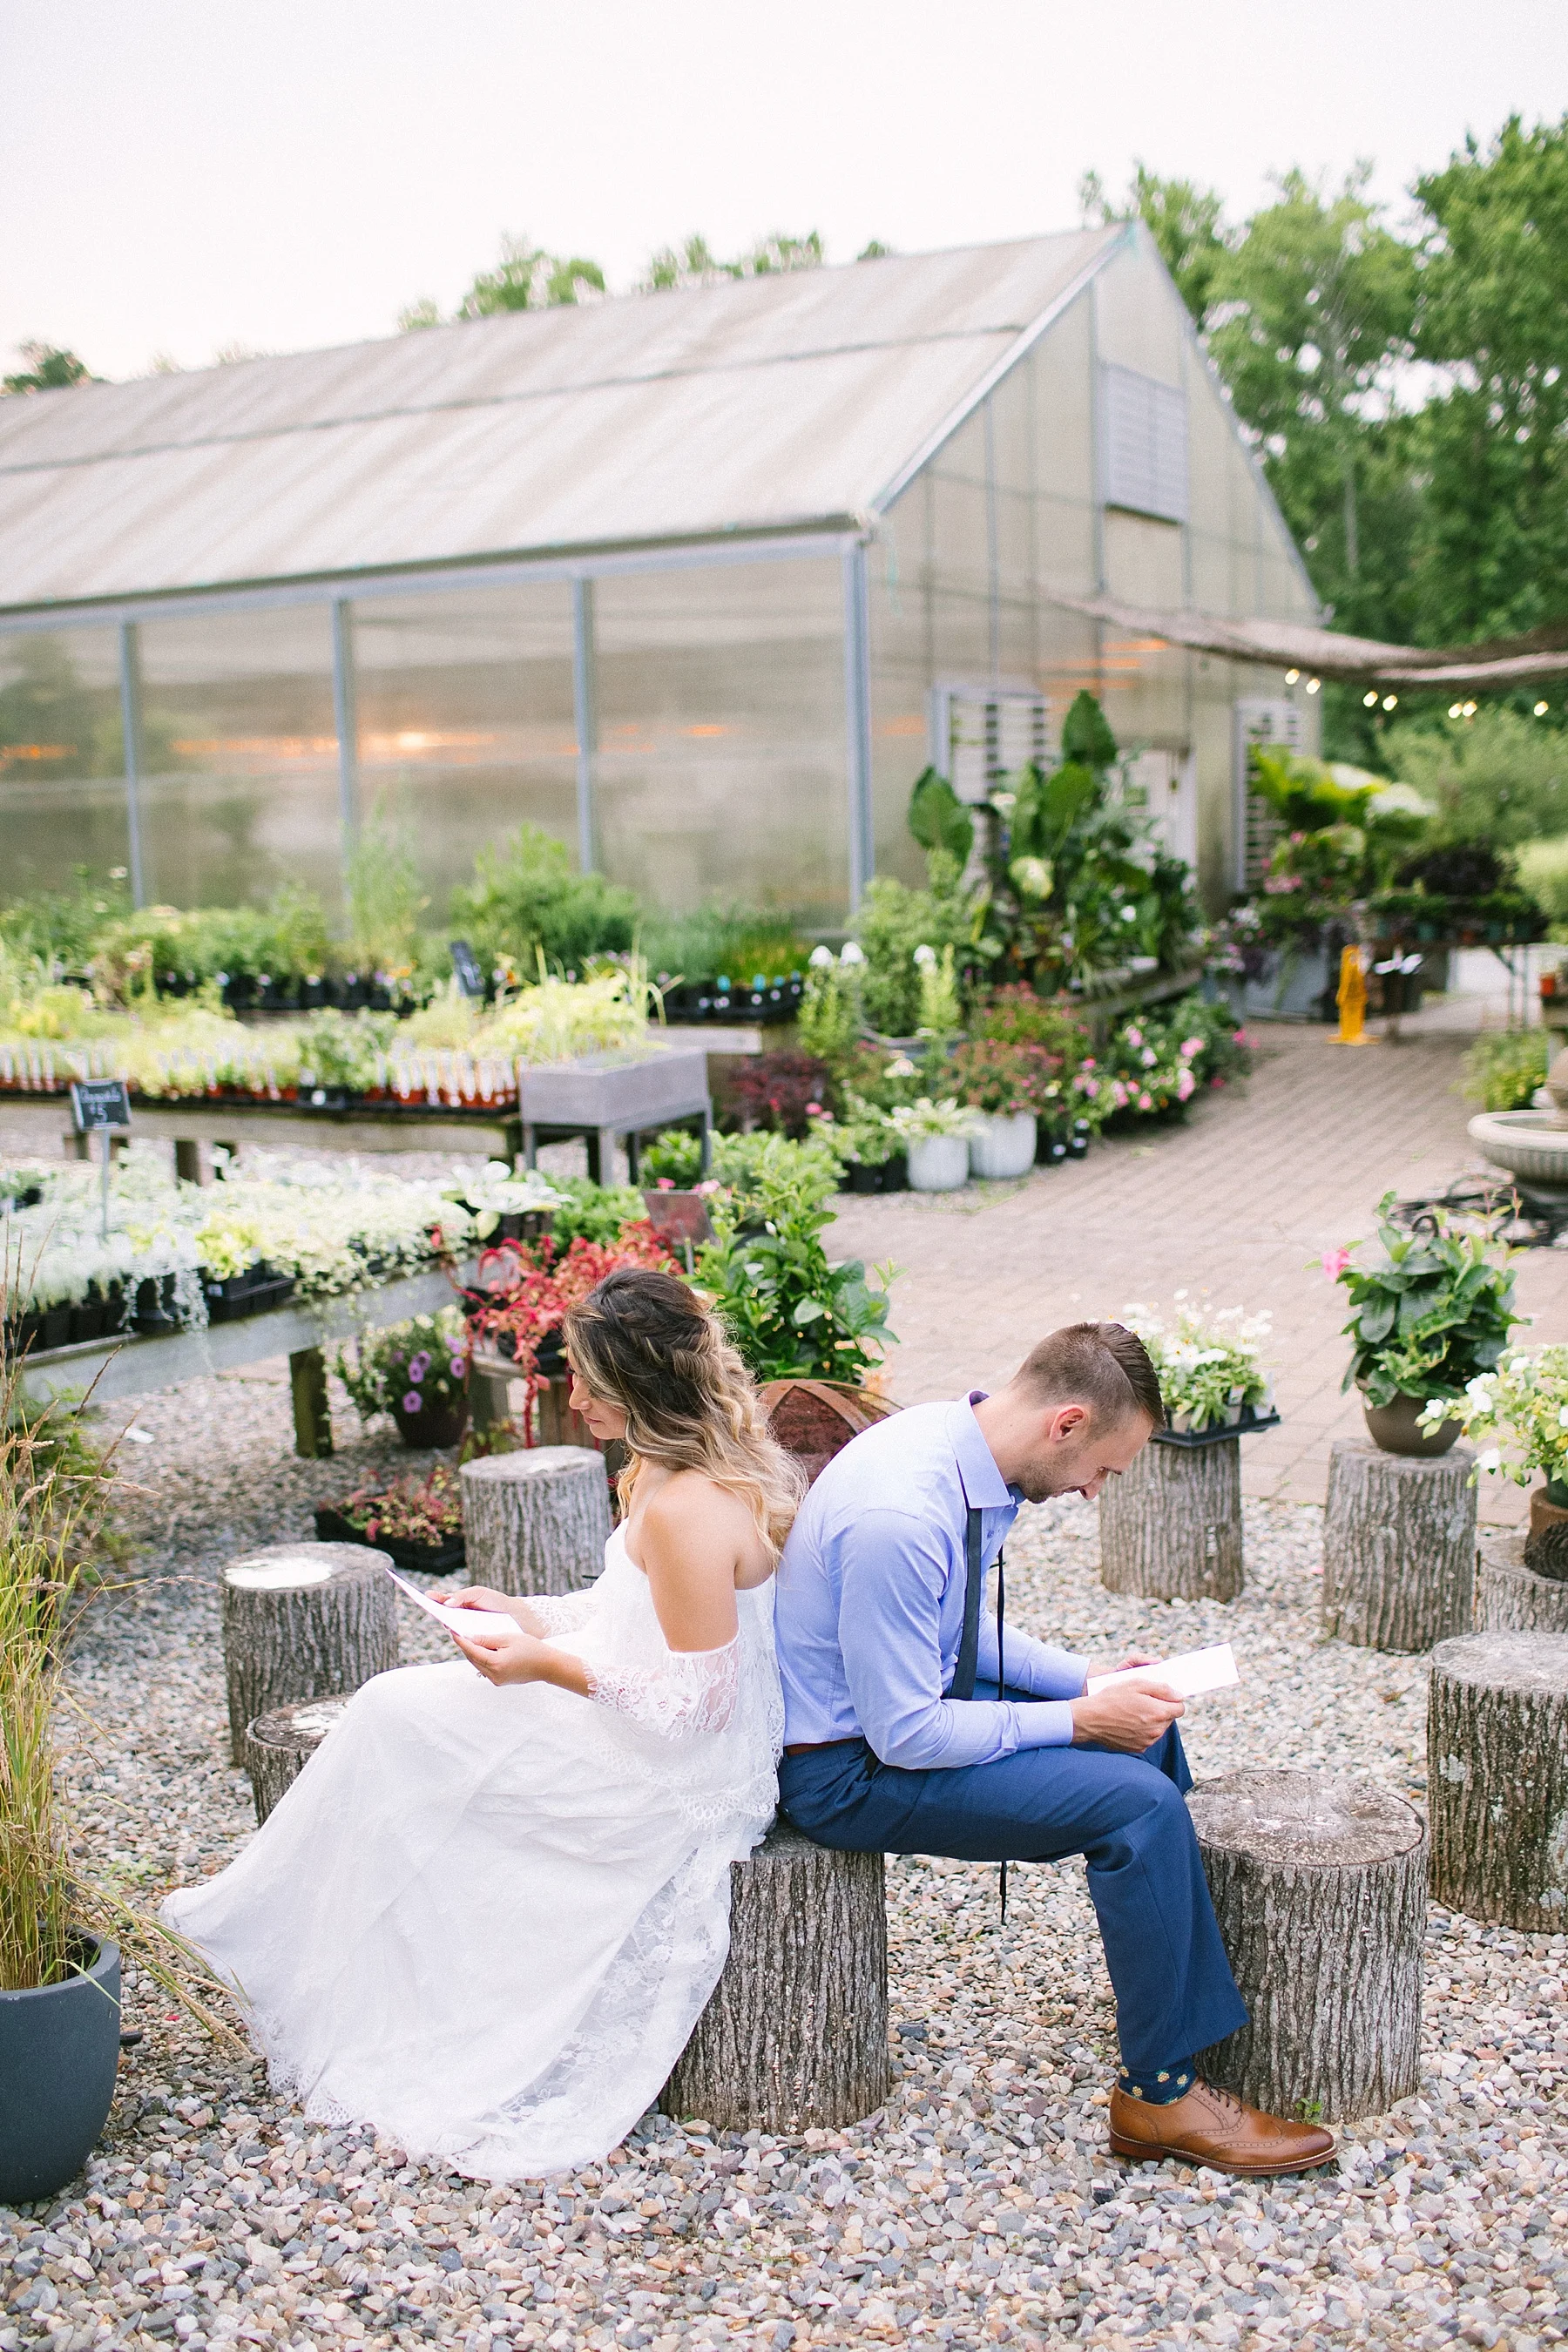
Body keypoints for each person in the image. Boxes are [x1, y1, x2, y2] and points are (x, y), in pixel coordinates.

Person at [164, 1268, 803, 2180]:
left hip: (682, 1773)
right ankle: (314, 1956)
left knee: (398, 1725)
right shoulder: (659, 1469)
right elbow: (623, 1609)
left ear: (640, 1385)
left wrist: (542, 1665)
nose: (571, 1395)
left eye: (587, 1379)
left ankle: (302, 1957)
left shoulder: (693, 1506)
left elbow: (704, 1702)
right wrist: (525, 1613)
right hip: (636, 1717)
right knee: (395, 1715)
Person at [774, 1321, 1336, 2176]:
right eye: (1106, 1470)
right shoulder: (901, 1513)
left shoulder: (968, 1452)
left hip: (902, 1716)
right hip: (845, 1771)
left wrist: (1090, 1680)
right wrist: (1078, 1721)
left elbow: (962, 1630)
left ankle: (1179, 2008)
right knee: (1136, 1803)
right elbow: (908, 1735)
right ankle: (1158, 2100)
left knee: (1147, 1726)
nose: (1096, 1493)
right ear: (1067, 1423)